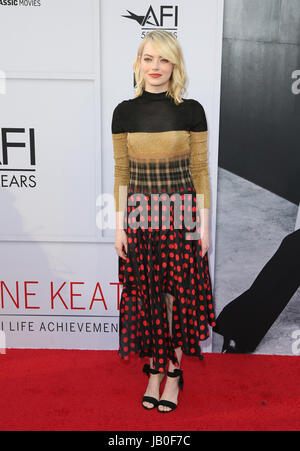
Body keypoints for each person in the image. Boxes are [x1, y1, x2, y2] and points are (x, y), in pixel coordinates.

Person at [111, 30, 216, 413]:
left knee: (176, 299)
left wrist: (203, 225)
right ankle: (154, 370)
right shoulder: (124, 111)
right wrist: (120, 225)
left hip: (181, 216)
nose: (155, 67)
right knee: (148, 297)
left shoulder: (192, 110)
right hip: (139, 217)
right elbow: (122, 170)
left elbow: (200, 170)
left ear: (175, 65)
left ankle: (173, 373)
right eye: (148, 58)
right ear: (138, 63)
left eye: (164, 60)